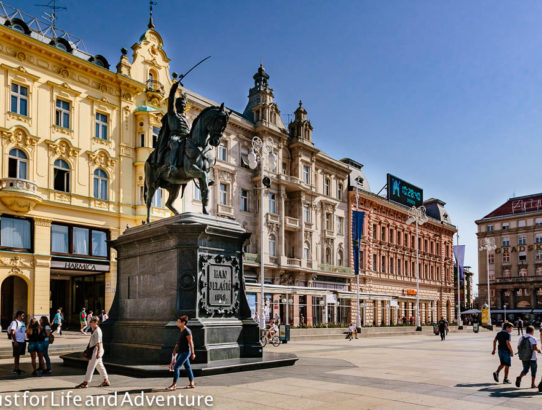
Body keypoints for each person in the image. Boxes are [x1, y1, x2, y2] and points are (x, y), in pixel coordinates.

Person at [75, 318, 110, 388]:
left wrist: (98, 353)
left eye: (91, 322)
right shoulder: (95, 330)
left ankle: (85, 382)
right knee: (99, 366)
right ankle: (106, 380)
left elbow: (99, 343)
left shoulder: (97, 331)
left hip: (96, 350)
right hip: (96, 350)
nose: (90, 323)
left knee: (90, 366)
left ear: (95, 322)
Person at [166, 315, 195, 391]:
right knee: (188, 367)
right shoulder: (181, 330)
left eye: (179, 322)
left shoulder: (187, 331)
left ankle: (174, 385)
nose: (177, 323)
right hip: (181, 351)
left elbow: (191, 342)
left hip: (186, 352)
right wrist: (174, 350)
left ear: (183, 322)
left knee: (176, 367)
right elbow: (178, 342)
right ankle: (192, 383)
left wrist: (192, 353)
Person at [7, 311, 26, 375]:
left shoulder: (23, 323)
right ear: (19, 315)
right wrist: (15, 341)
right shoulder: (14, 322)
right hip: (17, 341)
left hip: (22, 341)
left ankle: (17, 368)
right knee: (16, 356)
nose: (23, 316)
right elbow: (12, 332)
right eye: (22, 315)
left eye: (24, 315)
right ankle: (15, 369)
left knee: (18, 356)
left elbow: (24, 331)